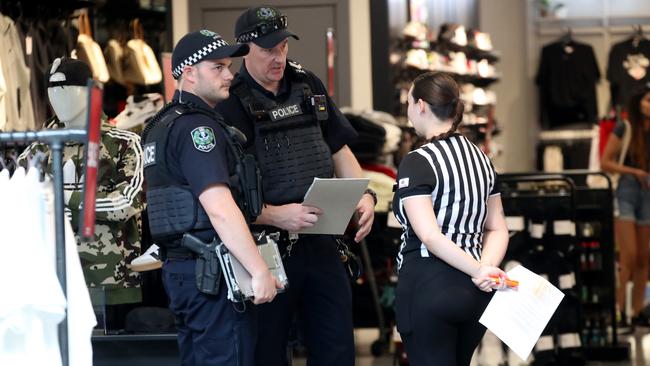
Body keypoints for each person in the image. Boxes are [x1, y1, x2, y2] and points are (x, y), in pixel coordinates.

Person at [215, 6, 376, 365]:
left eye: (283, 47)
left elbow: (339, 147)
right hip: (263, 248)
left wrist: (363, 193)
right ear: (245, 50)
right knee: (267, 352)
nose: (279, 57)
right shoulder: (229, 102)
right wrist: (275, 216)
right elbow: (221, 194)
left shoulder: (307, 83)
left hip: (321, 242)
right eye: (268, 50)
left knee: (336, 350)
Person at [141, 30, 282, 366]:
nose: (230, 75)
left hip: (183, 270)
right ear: (189, 72)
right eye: (217, 67)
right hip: (213, 275)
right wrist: (259, 269)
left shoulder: (161, 125)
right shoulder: (196, 130)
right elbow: (218, 206)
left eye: (228, 66)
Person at [392, 71, 509, 366]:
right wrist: (485, 269)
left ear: (420, 106)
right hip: (476, 295)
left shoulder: (418, 160)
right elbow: (497, 228)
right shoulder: (481, 158)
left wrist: (480, 271)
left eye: (408, 103)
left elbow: (430, 237)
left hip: (429, 288)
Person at [18, 57, 145, 329]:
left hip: (110, 285)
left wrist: (62, 198)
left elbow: (126, 203)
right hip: (48, 283)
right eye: (52, 89)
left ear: (89, 91)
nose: (57, 97)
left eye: (65, 88)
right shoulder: (37, 149)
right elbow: (18, 205)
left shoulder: (122, 144)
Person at [601, 84, 650, 328]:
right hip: (627, 190)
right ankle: (619, 311)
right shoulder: (626, 127)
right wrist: (634, 171)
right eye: (647, 100)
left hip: (647, 193)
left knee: (644, 257)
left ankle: (638, 311)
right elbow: (605, 162)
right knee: (628, 256)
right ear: (639, 102)